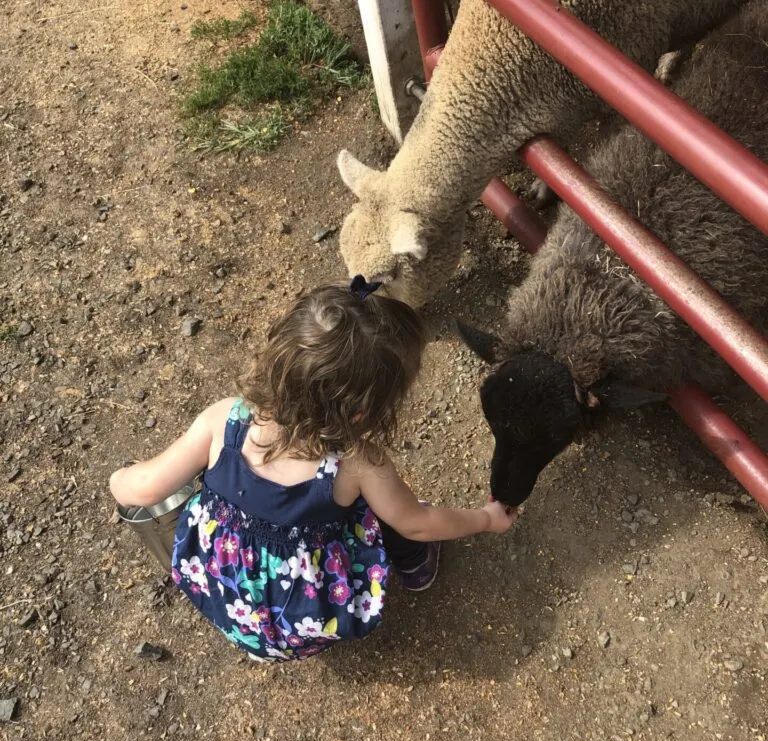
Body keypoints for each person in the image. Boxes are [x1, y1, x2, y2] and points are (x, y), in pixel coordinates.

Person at [110, 277, 518, 662]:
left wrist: (118, 479)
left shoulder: (224, 420)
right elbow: (418, 523)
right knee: (390, 513)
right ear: (362, 412)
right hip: (300, 624)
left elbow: (144, 489)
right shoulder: (359, 464)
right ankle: (415, 567)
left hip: (224, 597)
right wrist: (485, 518)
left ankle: (257, 639)